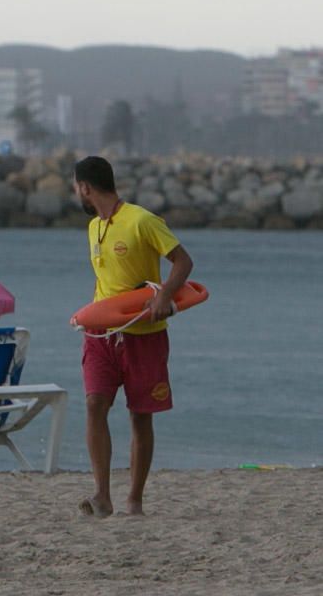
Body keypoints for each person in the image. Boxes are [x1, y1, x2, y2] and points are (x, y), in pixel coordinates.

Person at [72, 156, 193, 517]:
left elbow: (184, 262)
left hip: (145, 336)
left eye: (76, 187)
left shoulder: (142, 220)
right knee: (95, 404)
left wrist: (164, 296)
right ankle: (102, 495)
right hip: (101, 335)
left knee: (141, 416)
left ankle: (135, 499)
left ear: (86, 187)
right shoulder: (94, 226)